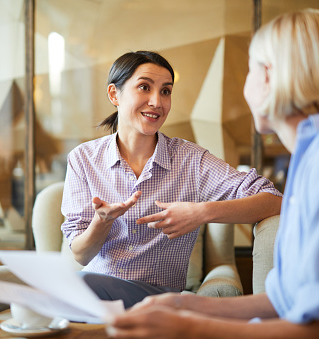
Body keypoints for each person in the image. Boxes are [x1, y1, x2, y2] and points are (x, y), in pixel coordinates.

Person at [106, 9, 319, 339]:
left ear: (268, 77)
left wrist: (187, 327)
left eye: (248, 71)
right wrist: (183, 305)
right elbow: (288, 301)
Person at [61, 50, 282, 309]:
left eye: (165, 91)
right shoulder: (83, 159)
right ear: (114, 95)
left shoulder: (191, 160)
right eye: (144, 87)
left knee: (72, 289)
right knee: (73, 288)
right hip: (96, 293)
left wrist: (201, 213)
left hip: (159, 298)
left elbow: (274, 200)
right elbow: (80, 254)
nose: (156, 101)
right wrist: (102, 221)